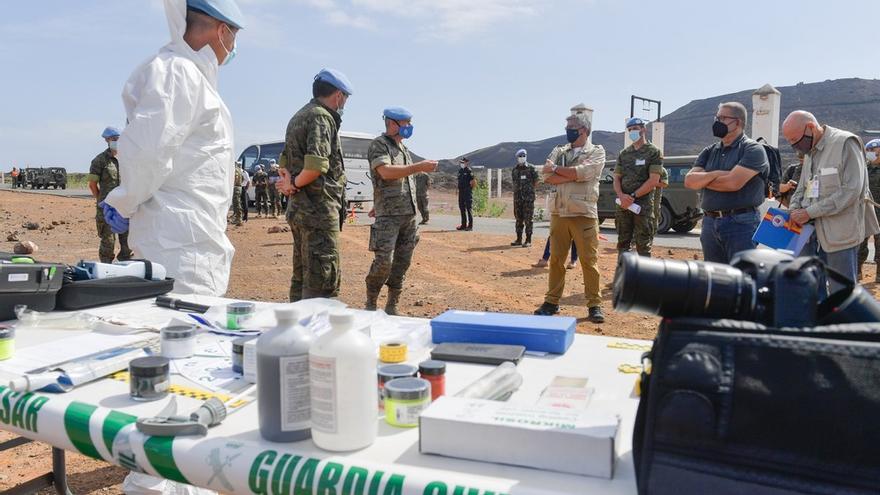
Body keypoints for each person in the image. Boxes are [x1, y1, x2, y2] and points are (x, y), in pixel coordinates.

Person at [100, 0, 244, 297]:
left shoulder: (193, 77)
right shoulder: (178, 73)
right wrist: (124, 200)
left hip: (191, 241)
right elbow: (147, 152)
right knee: (182, 332)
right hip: (178, 247)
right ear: (221, 31)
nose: (233, 46)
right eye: (234, 35)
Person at [276, 68, 352, 302]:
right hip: (317, 210)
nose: (344, 104)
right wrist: (294, 186)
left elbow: (283, 161)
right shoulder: (321, 116)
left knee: (302, 276)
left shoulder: (300, 115)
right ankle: (317, 333)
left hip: (301, 210)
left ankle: (296, 330)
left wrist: (290, 184)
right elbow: (316, 166)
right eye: (345, 99)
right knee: (322, 281)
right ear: (338, 95)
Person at [787, 111, 880, 288]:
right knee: (811, 290)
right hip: (809, 235)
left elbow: (851, 190)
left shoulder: (845, 143)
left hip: (839, 236)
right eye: (790, 141)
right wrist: (794, 208)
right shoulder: (809, 151)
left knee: (841, 294)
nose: (794, 146)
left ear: (811, 128)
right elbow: (802, 187)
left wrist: (809, 212)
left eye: (795, 139)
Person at [364, 107, 438, 314]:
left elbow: (404, 182)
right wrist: (419, 166)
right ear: (391, 123)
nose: (409, 127)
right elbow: (386, 172)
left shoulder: (403, 149)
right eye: (405, 123)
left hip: (409, 216)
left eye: (410, 123)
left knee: (402, 263)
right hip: (388, 216)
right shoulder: (379, 145)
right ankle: (370, 303)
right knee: (383, 262)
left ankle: (392, 305)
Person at [534, 111, 606, 323]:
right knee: (556, 259)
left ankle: (594, 304)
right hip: (560, 212)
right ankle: (552, 302)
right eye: (567, 127)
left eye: (571, 127)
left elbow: (585, 173)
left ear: (583, 130)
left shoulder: (596, 151)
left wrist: (558, 170)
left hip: (583, 213)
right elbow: (546, 176)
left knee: (588, 261)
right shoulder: (559, 150)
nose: (568, 131)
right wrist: (565, 173)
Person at [684, 102, 769, 263]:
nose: (717, 122)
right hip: (710, 223)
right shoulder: (709, 151)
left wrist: (703, 179)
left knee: (741, 278)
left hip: (741, 223)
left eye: (722, 118)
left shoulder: (753, 149)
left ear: (737, 122)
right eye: (717, 117)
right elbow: (689, 182)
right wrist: (716, 174)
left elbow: (732, 184)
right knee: (715, 278)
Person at [614, 117, 663, 257]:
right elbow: (616, 179)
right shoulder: (624, 154)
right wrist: (622, 196)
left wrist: (633, 196)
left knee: (643, 246)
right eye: (629, 130)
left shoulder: (654, 152)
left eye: (635, 129)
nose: (632, 132)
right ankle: (623, 276)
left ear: (643, 129)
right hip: (623, 205)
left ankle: (643, 278)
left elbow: (654, 180)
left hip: (643, 206)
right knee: (623, 244)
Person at [88, 127, 133, 263]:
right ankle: (106, 268)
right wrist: (100, 199)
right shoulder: (100, 160)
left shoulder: (129, 158)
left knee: (128, 242)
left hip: (126, 206)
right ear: (107, 140)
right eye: (113, 139)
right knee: (108, 241)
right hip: (107, 207)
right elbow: (92, 184)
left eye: (119, 139)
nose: (116, 141)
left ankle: (126, 267)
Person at [858, 139, 880, 281]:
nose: (871, 153)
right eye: (869, 151)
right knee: (861, 240)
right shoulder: (863, 167)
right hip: (865, 208)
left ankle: (879, 274)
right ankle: (858, 272)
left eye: (874, 150)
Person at [511, 149, 539, 247]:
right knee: (518, 219)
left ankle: (528, 240)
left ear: (526, 156)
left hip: (528, 199)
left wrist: (529, 191)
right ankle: (518, 239)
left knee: (528, 219)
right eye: (520, 156)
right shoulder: (514, 170)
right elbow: (514, 183)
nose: (522, 158)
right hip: (517, 199)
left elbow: (536, 182)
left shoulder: (531, 168)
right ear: (517, 157)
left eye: (523, 156)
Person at [457, 157, 476, 230]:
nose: (461, 164)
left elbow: (473, 182)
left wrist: (469, 190)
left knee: (468, 208)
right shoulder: (460, 171)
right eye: (460, 162)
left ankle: (470, 226)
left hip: (467, 192)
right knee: (462, 208)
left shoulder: (469, 171)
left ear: (466, 163)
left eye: (463, 162)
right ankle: (463, 225)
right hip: (461, 192)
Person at [231, 160, 243, 226]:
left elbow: (236, 177)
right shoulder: (239, 169)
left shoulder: (235, 170)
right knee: (236, 203)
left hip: (236, 187)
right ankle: (237, 218)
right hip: (238, 187)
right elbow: (243, 178)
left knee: (237, 203)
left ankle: (239, 219)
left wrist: (233, 184)